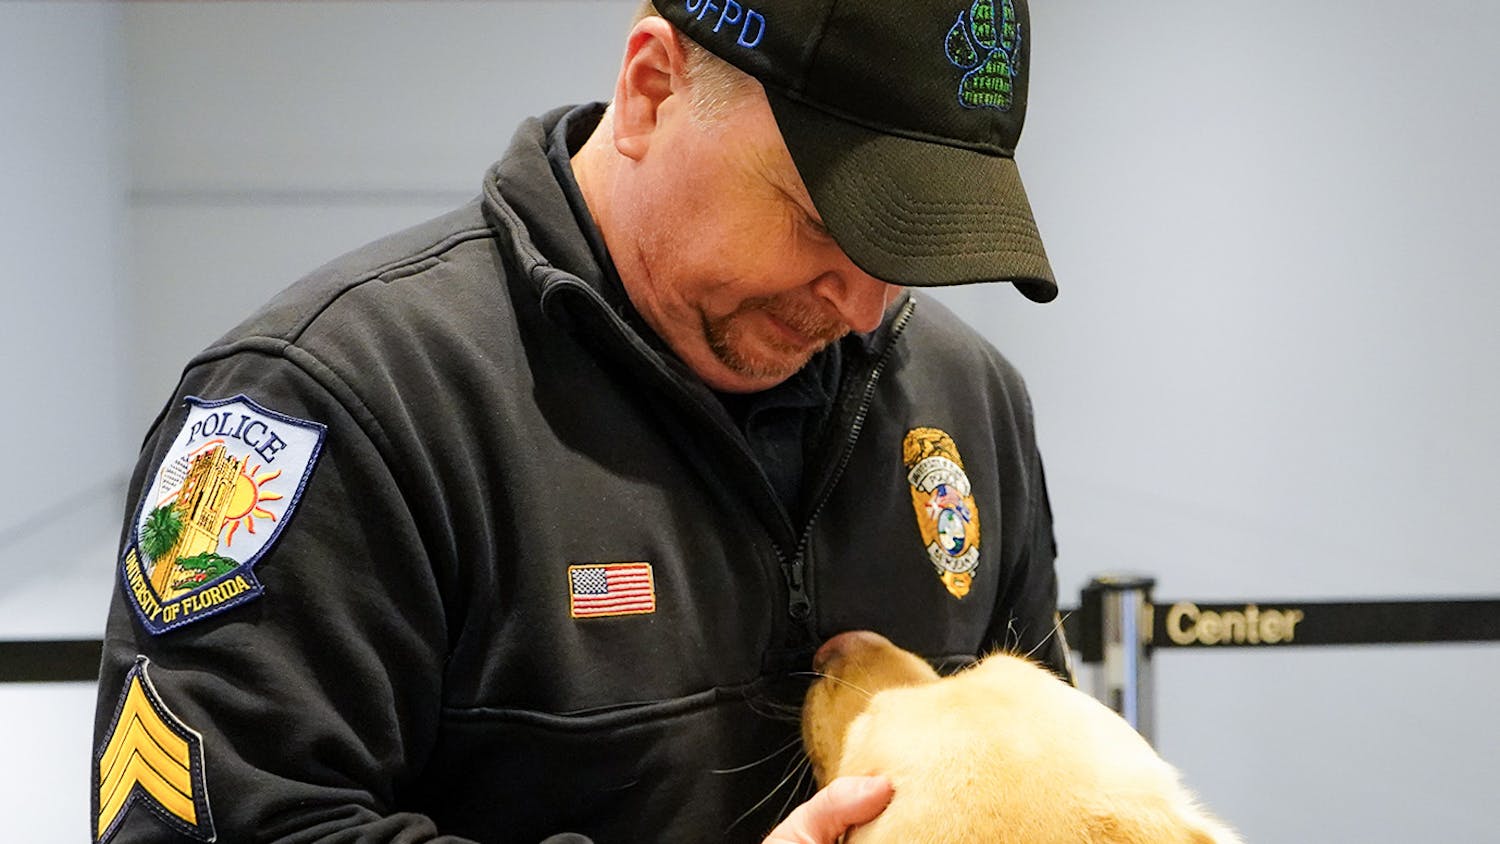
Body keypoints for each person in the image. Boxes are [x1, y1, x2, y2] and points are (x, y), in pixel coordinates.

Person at [91, 0, 1070, 841]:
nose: (864, 306)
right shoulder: (336, 404)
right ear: (651, 90)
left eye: (912, 243)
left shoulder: (963, 397)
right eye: (824, 223)